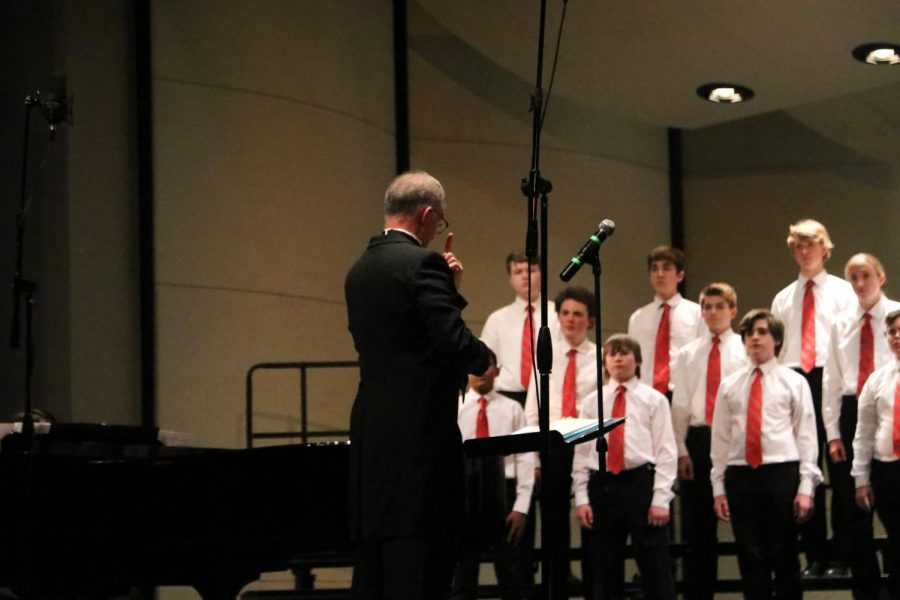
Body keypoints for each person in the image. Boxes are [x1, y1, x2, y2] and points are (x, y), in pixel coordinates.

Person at [344, 171, 494, 600]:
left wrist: (447, 292)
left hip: (372, 439)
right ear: (427, 215)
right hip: (421, 443)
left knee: (375, 571)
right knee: (422, 570)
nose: (437, 232)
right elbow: (453, 342)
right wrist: (485, 357)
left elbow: (407, 335)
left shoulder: (360, 269)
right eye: (439, 222)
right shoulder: (422, 263)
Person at [711, 309, 822, 600]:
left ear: (776, 339)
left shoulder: (793, 381)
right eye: (749, 333)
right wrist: (718, 488)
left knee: (784, 552)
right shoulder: (730, 384)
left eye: (762, 332)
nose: (754, 338)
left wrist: (806, 486)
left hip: (780, 472)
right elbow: (720, 440)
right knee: (750, 556)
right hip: (740, 474)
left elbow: (807, 436)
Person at [770, 219, 855, 577]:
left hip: (830, 378)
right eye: (798, 246)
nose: (804, 252)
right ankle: (815, 554)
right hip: (795, 378)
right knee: (806, 469)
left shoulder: (843, 291)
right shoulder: (784, 297)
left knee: (841, 471)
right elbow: (778, 348)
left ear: (824, 248)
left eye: (810, 245)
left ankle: (842, 554)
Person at [573, 334, 678, 600]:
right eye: (612, 353)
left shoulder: (653, 400)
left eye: (625, 353)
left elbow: (666, 451)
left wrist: (661, 499)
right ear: (605, 362)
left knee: (655, 568)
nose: (618, 358)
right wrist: (582, 498)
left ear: (638, 360)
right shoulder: (591, 402)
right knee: (604, 570)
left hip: (640, 484)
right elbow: (582, 454)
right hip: (604, 485)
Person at [822, 253, 898, 596]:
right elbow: (832, 381)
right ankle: (866, 590)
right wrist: (833, 432)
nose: (859, 282)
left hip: (891, 403)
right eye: (852, 277)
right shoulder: (840, 322)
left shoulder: (897, 313)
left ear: (880, 276)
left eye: (865, 275)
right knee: (855, 507)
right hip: (854, 407)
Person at [670, 283, 747, 600]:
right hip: (700, 438)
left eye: (719, 306)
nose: (712, 312)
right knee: (698, 530)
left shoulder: (745, 348)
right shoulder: (689, 353)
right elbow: (681, 405)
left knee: (745, 523)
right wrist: (682, 449)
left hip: (736, 439)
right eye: (707, 307)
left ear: (732, 310)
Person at [523, 286, 598, 594]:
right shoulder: (545, 356)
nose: (570, 319)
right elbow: (532, 409)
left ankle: (594, 583)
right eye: (565, 313)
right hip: (553, 444)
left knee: (591, 516)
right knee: (553, 519)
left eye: (577, 314)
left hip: (589, 444)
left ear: (590, 321)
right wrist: (535, 457)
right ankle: (558, 582)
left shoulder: (599, 357)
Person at [452, 364, 535, 600]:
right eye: (473, 367)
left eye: (485, 366)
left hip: (503, 491)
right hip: (466, 492)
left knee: (511, 573)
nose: (479, 372)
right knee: (463, 574)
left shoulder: (512, 408)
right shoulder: (455, 407)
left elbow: (526, 457)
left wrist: (521, 506)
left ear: (496, 371)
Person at [852, 308, 900, 600]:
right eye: (892, 332)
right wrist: (860, 479)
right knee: (896, 540)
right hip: (888, 470)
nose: (897, 336)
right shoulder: (877, 380)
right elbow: (864, 432)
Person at [481, 252, 561, 406]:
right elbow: (487, 361)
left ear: (541, 274)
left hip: (548, 394)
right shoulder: (497, 319)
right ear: (510, 279)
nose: (525, 276)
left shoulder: (557, 314)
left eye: (531, 271)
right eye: (518, 272)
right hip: (506, 395)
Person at [627, 246, 706, 398]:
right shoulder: (638, 318)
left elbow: (702, 358)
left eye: (667, 268)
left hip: (683, 393)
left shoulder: (697, 314)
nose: (660, 274)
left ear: (680, 276)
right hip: (645, 392)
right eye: (654, 269)